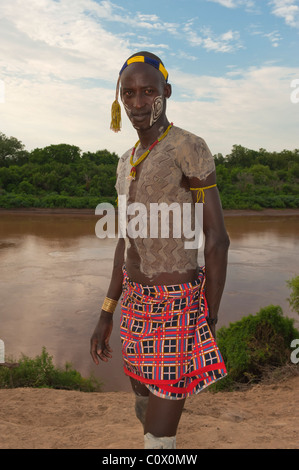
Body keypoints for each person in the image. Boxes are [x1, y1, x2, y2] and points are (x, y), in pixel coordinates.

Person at [90, 51, 230, 449]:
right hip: (135, 303)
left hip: (177, 307)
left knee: (158, 439)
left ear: (166, 92)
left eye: (148, 91)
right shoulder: (124, 161)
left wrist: (209, 316)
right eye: (128, 93)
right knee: (142, 399)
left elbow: (217, 240)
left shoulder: (189, 147)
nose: (137, 103)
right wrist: (106, 314)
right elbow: (125, 241)